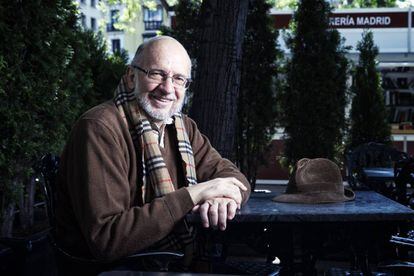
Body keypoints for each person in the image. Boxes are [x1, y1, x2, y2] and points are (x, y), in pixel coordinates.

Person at [55, 36, 250, 271]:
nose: (168, 88)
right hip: (113, 269)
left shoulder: (181, 126)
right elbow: (107, 240)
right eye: (156, 73)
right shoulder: (99, 127)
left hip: (165, 261)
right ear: (130, 76)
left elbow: (233, 179)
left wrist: (222, 197)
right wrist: (196, 193)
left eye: (179, 79)